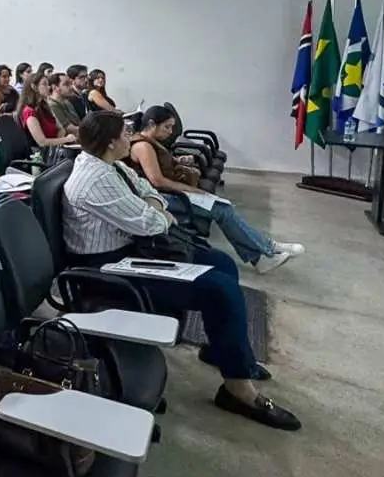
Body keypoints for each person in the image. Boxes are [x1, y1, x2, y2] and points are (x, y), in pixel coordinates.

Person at [62, 111, 301, 430]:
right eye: (125, 134)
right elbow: (153, 222)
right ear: (109, 142)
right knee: (220, 290)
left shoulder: (112, 165)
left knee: (222, 263)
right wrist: (156, 209)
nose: (130, 138)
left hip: (130, 250)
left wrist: (154, 206)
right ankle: (237, 389)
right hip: (110, 269)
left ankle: (225, 351)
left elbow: (148, 192)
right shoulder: (95, 180)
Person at [129, 106, 303, 273]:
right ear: (151, 124)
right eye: (167, 127)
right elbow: (157, 181)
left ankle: (263, 252)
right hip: (163, 198)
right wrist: (192, 191)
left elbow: (161, 166)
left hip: (169, 194)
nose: (170, 131)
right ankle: (265, 250)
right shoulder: (142, 146)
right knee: (223, 209)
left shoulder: (153, 142)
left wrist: (178, 160)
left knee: (223, 207)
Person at [20, 72, 80, 154]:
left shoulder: (45, 107)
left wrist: (59, 142)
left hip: (55, 150)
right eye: (44, 84)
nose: (48, 87)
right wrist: (66, 139)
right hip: (42, 155)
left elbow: (61, 129)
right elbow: (42, 142)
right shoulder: (29, 111)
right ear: (34, 87)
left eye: (48, 84)